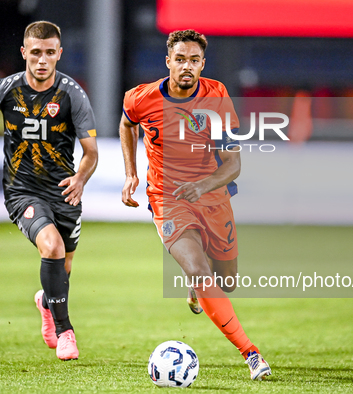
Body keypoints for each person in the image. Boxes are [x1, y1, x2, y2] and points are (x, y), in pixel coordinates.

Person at [119, 29, 271, 380]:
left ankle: (196, 285)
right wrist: (131, 174)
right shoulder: (140, 98)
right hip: (167, 198)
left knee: (227, 282)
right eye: (181, 59)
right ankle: (251, 353)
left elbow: (233, 164)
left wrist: (201, 186)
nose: (187, 66)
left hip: (213, 197)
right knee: (201, 272)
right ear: (168, 61)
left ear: (203, 64)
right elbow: (127, 124)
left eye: (195, 60)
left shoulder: (216, 96)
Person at [0, 21, 98, 361]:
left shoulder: (72, 94)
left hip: (65, 192)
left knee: (61, 273)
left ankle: (46, 303)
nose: (42, 60)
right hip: (22, 191)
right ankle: (67, 333)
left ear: (59, 54)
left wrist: (80, 179)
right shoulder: (6, 89)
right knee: (50, 247)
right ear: (24, 53)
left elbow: (91, 153)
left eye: (50, 53)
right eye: (35, 53)